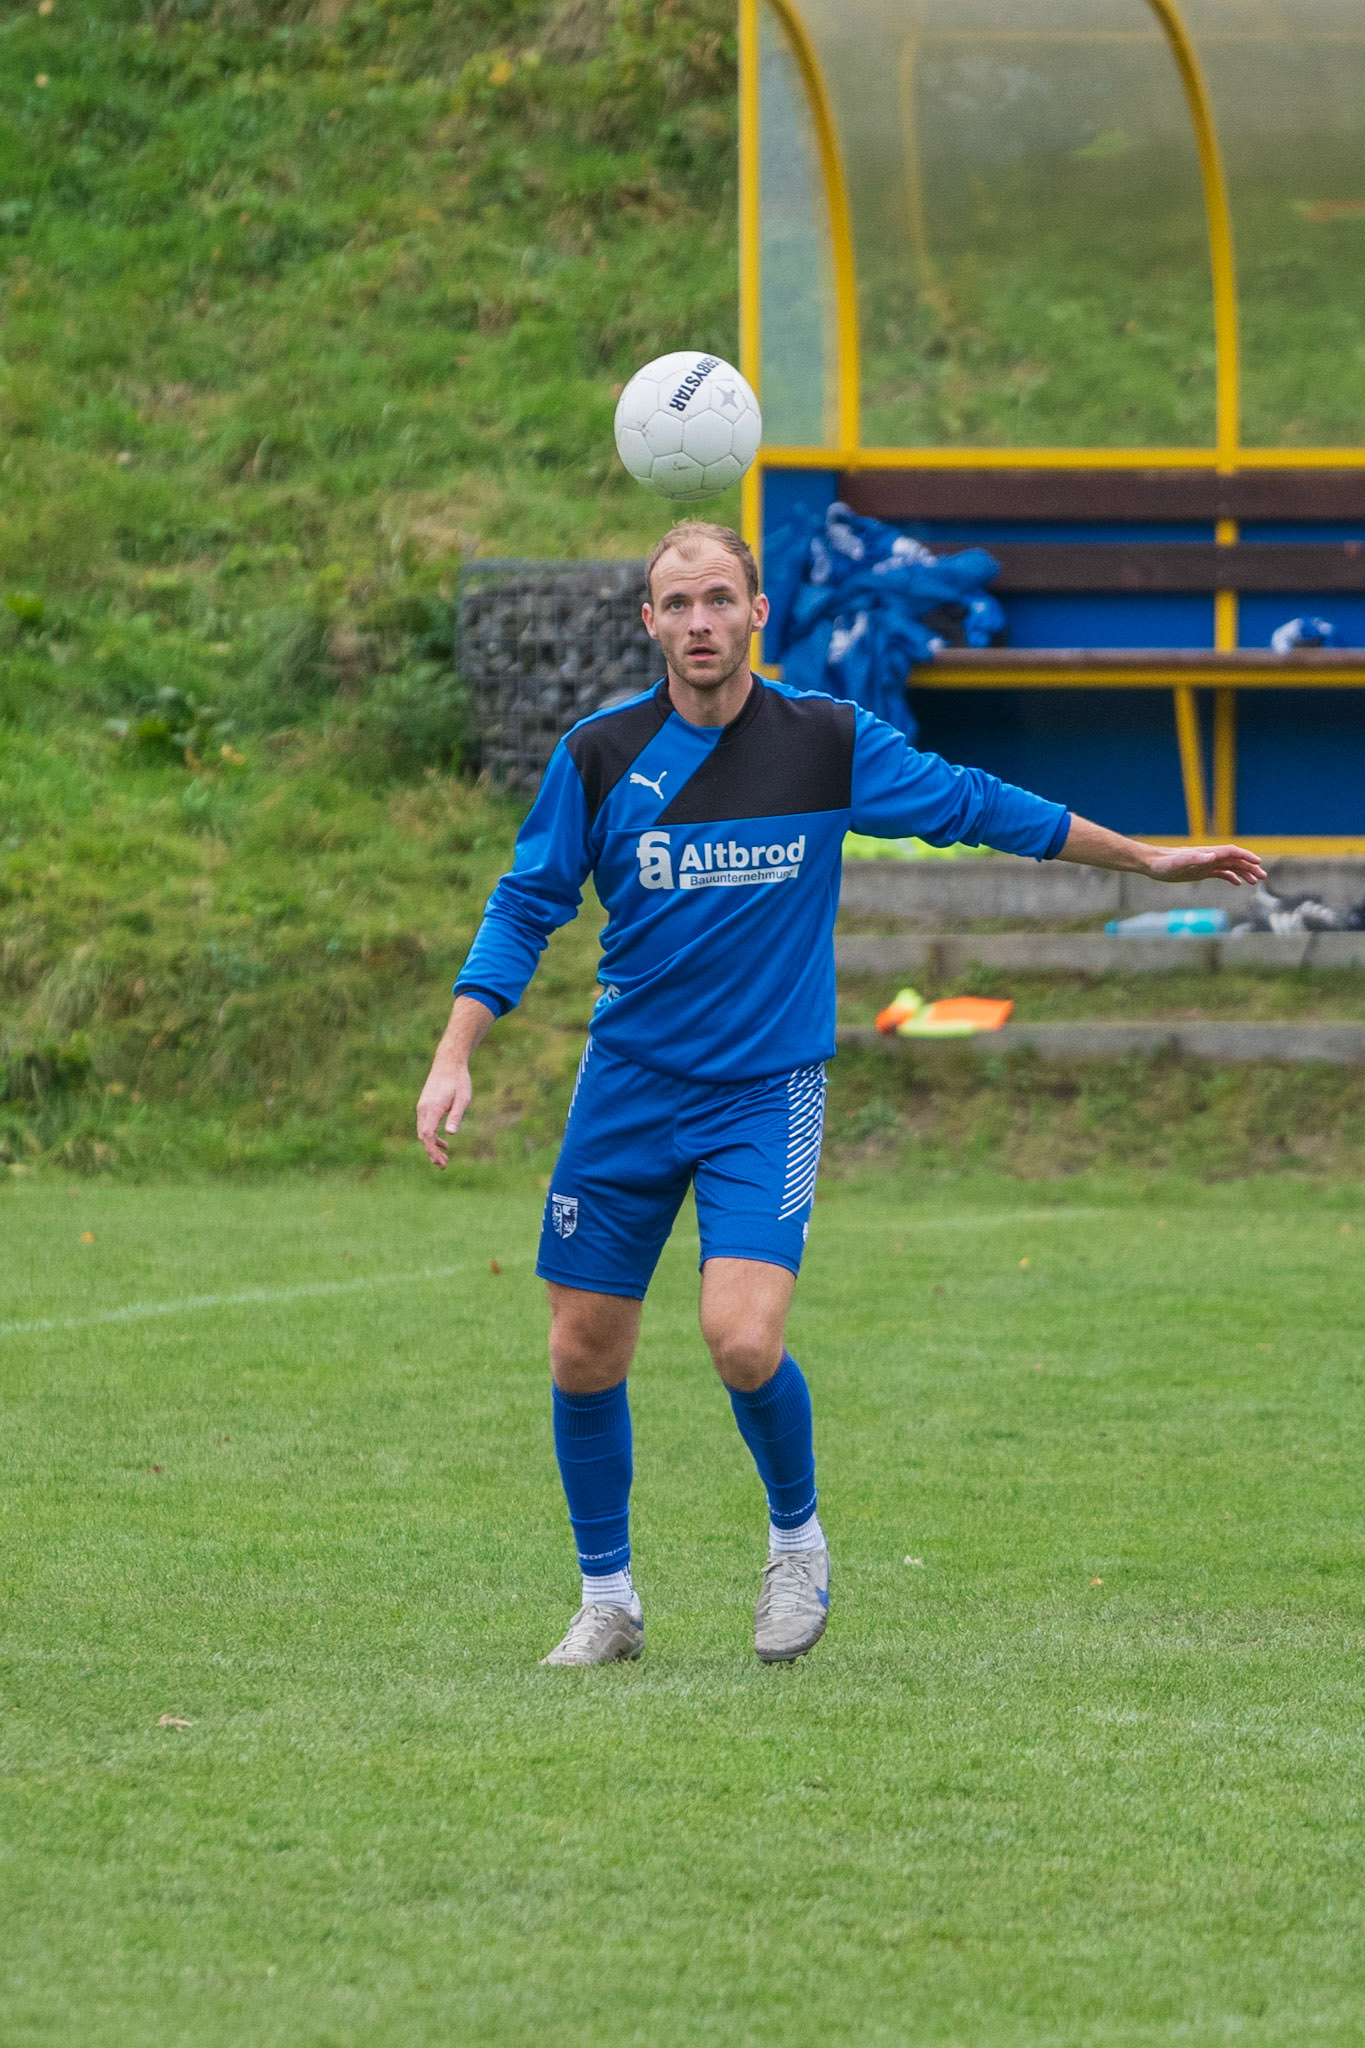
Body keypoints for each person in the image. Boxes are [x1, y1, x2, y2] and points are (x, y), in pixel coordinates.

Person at [416, 520, 1266, 1668]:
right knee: (582, 1351)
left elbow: (975, 804)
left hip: (763, 1093)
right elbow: (527, 904)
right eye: (679, 604)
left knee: (743, 1341)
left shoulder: (825, 740)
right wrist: (456, 1050)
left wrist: (1148, 859)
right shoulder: (601, 754)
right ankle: (608, 1599)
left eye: (721, 599)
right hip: (628, 1088)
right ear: (650, 621)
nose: (702, 622)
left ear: (759, 612)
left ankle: (796, 1541)